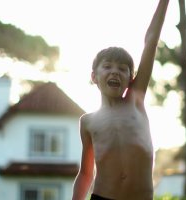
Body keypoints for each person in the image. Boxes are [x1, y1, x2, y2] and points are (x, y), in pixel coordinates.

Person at [72, 0, 169, 199]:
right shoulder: (88, 122)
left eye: (122, 69)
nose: (115, 72)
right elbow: (86, 173)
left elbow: (151, 40)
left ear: (131, 79)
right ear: (94, 77)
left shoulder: (136, 101)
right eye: (107, 66)